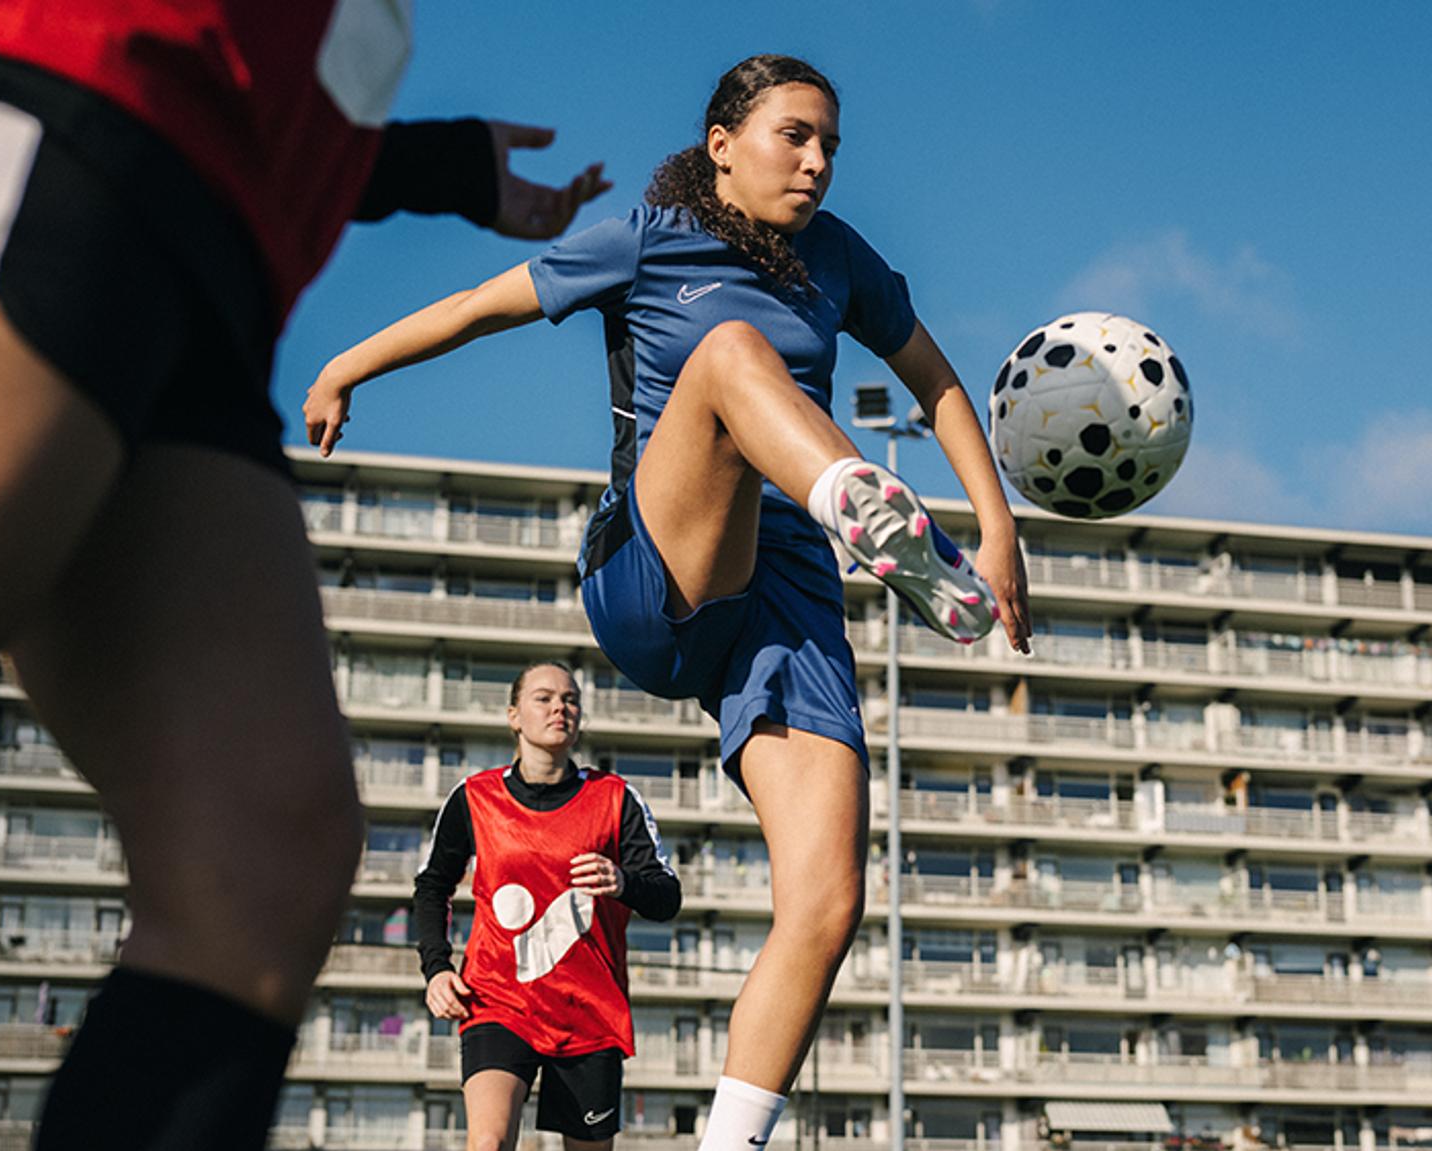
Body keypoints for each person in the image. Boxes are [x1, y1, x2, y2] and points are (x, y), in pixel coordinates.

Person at [0, 4, 608, 1147]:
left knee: (262, 850)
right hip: (34, 108)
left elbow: (250, 67)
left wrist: (431, 165)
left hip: (203, 248)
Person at [306, 53, 1034, 1148]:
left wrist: (996, 523)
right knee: (733, 354)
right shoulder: (645, 237)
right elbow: (475, 308)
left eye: (830, 142)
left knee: (827, 897)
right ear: (721, 142)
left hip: (784, 597)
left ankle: (728, 1140)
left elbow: (933, 379)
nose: (818, 161)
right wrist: (343, 368)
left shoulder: (836, 259)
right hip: (655, 564)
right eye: (794, 134)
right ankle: (857, 503)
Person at [414, 660, 680, 1151]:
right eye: (544, 697)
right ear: (514, 715)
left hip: (589, 1011)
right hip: (498, 999)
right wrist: (436, 968)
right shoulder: (475, 798)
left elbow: (667, 897)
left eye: (571, 698)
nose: (560, 706)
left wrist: (622, 881)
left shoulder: (616, 799)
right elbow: (432, 888)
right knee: (488, 1143)